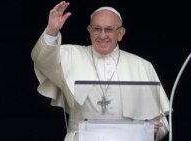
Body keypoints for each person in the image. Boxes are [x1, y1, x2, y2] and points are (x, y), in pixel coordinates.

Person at [31, 1, 170, 141]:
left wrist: (153, 130)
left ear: (120, 33)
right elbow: (42, 59)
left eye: (109, 29)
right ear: (90, 31)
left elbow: (162, 122)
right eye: (97, 29)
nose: (102, 35)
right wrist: (51, 30)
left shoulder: (142, 66)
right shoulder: (70, 55)